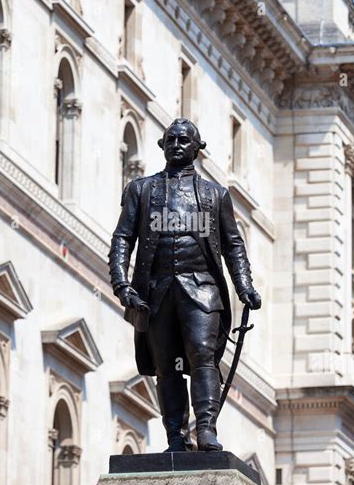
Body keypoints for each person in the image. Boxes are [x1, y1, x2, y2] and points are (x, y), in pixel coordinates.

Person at [109, 118, 261, 452]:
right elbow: (123, 237)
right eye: (171, 139)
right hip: (156, 291)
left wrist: (244, 286)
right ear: (162, 146)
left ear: (197, 148)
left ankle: (206, 429)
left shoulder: (215, 195)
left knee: (202, 355)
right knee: (167, 366)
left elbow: (234, 245)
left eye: (184, 140)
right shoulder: (141, 190)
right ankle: (175, 438)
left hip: (203, 290)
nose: (177, 144)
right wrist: (121, 283)